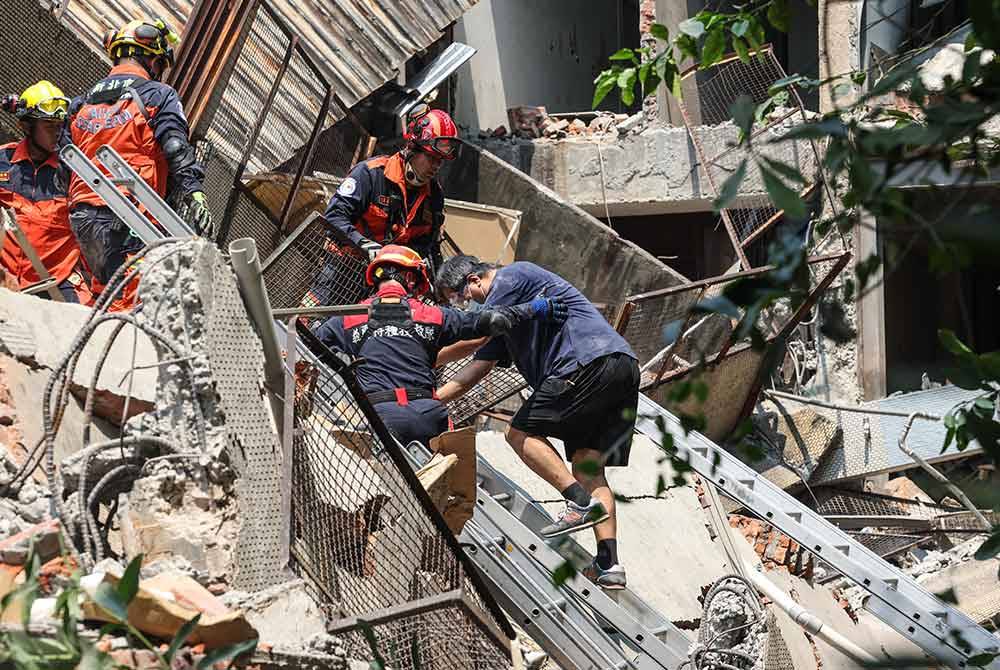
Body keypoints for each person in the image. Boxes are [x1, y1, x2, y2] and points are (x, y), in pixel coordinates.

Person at [435, 256, 640, 590]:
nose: (464, 304)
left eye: (460, 296)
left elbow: (473, 337)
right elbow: (476, 369)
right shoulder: (506, 321)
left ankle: (577, 502)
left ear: (473, 279)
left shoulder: (512, 277)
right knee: (589, 468)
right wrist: (433, 400)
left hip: (582, 362)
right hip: (621, 368)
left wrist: (424, 350)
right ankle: (609, 563)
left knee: (518, 434)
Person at [315, 245, 566, 447]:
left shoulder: (347, 318)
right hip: (431, 416)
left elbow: (307, 346)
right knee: (452, 501)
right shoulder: (432, 315)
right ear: (411, 280)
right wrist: (536, 308)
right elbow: (493, 322)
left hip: (378, 419)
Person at [67, 18, 212, 308]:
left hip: (82, 216)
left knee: (102, 293)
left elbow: (65, 161)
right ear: (150, 57)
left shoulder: (82, 103)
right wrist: (194, 192)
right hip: (130, 215)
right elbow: (175, 145)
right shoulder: (157, 95)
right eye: (160, 63)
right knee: (134, 302)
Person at [305, 107, 459, 307]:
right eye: (432, 158)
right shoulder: (370, 174)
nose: (437, 166)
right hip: (342, 269)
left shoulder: (434, 196)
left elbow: (427, 243)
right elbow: (334, 217)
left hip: (389, 280)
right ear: (412, 149)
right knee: (307, 320)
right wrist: (364, 245)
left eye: (441, 161)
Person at [0, 81, 93, 304]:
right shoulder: (3, 161)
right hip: (5, 276)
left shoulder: (72, 171)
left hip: (55, 281)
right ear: (27, 126)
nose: (57, 133)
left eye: (59, 126)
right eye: (49, 126)